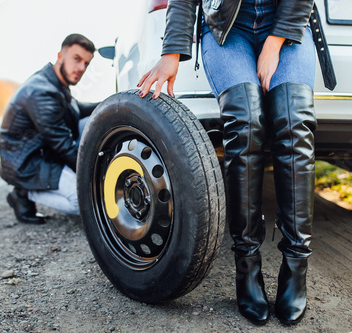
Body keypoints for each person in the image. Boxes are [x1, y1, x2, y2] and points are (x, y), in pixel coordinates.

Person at [138, 0, 335, 326]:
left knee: (294, 124)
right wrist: (170, 53)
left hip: (287, 25)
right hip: (228, 30)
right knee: (244, 125)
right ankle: (247, 266)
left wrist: (274, 44)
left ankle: (296, 266)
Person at [0, 33, 98, 224]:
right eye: (76, 59)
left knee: (94, 119)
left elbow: (79, 109)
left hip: (46, 150)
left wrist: (116, 102)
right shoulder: (41, 92)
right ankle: (23, 193)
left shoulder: (56, 82)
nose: (81, 68)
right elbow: (64, 146)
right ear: (60, 55)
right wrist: (94, 177)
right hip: (28, 163)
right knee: (85, 202)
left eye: (86, 63)